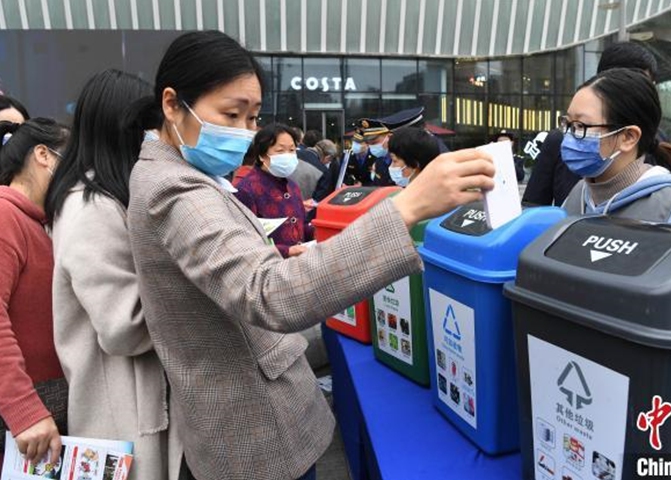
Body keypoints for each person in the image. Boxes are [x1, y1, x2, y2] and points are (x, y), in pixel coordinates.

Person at [125, 30, 494, 480]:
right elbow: (268, 295)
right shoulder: (175, 189)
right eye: (230, 114)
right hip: (258, 436)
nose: (243, 132)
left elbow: (242, 276)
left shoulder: (182, 173)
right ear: (171, 104)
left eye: (252, 117)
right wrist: (408, 207)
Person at [44, 69, 183, 480]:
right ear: (120, 130)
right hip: (122, 418)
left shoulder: (108, 197)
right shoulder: (90, 209)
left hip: (134, 409)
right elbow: (124, 326)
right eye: (146, 127)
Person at [0, 118, 68, 479]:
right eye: (72, 161)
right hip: (18, 429)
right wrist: (25, 412)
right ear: (43, 156)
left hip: (40, 416)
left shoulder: (38, 222)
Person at [560, 68, 671, 228]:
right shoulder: (577, 196)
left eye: (580, 125)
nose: (569, 135)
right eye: (567, 124)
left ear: (629, 137)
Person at [523, 41, 659, 207]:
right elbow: (532, 207)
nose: (636, 91)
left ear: (630, 137)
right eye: (570, 123)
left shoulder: (668, 198)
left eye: (645, 85)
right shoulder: (573, 200)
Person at [235, 123, 314, 259]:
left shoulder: (292, 186)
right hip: (271, 268)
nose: (288, 155)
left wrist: (317, 231)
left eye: (292, 150)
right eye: (280, 151)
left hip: (299, 265)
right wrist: (286, 251)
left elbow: (301, 225)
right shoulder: (246, 189)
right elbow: (243, 241)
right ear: (261, 155)